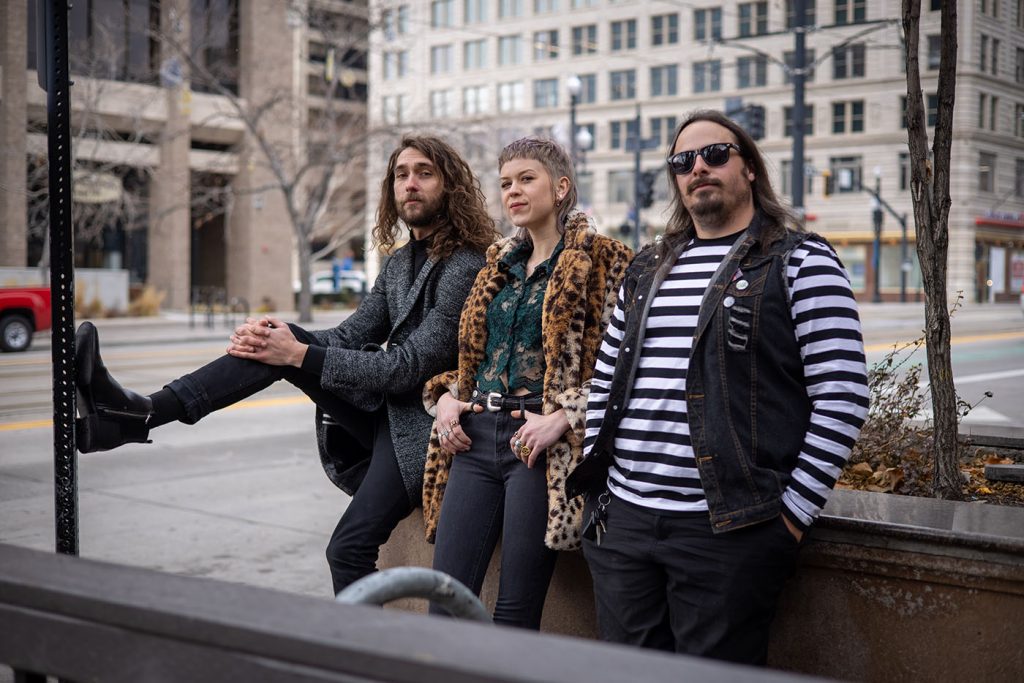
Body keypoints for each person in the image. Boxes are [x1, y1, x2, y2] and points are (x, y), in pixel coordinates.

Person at [74, 135, 498, 595]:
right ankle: (139, 413)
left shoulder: (466, 266)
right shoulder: (399, 264)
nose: (410, 184)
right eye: (401, 174)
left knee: (347, 549)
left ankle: (370, 658)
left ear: (449, 186)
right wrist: (274, 337)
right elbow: (350, 337)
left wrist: (297, 352)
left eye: (424, 173)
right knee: (285, 339)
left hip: (423, 431)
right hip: (382, 414)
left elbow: (405, 368)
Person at [566, 110, 869, 663]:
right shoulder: (647, 265)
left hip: (728, 531)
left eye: (715, 154)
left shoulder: (801, 259)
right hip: (623, 523)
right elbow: (606, 375)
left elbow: (843, 395)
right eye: (683, 161)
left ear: (749, 167)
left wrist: (789, 519)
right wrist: (596, 486)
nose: (698, 168)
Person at [419, 137, 632, 629]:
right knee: (444, 600)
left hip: (537, 446)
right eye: (505, 183)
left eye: (526, 179)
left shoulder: (605, 259)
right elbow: (476, 357)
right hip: (473, 439)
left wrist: (564, 416)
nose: (512, 191)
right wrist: (450, 397)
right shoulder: (498, 265)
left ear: (561, 187)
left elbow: (622, 364)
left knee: (516, 611)